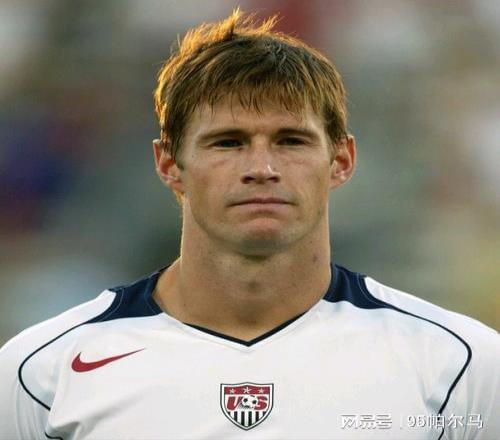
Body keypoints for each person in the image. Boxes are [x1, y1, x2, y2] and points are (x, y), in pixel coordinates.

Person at [0, 9, 498, 440]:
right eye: (228, 142)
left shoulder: (460, 366)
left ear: (342, 160)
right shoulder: (42, 372)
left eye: (291, 141)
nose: (262, 168)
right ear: (169, 163)